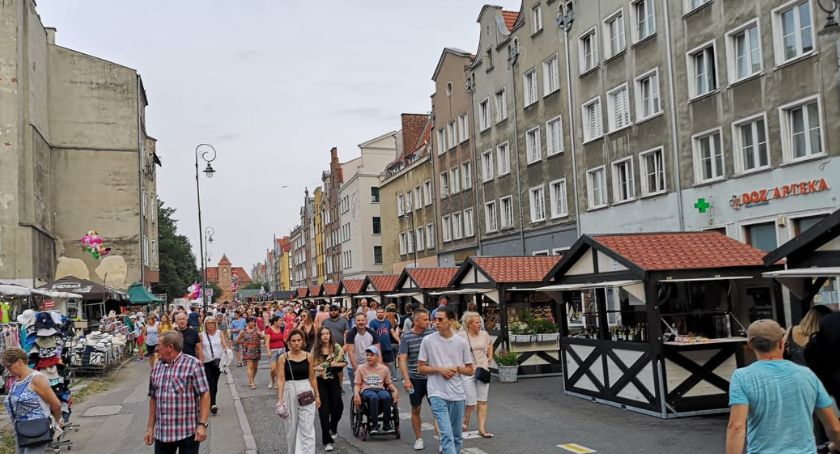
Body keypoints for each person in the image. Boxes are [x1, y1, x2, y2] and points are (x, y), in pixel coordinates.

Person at [726, 319, 840, 454]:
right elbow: (834, 428)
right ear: (781, 343)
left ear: (750, 345)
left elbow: (736, 427)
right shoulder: (807, 375)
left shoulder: (742, 377)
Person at [418, 308, 474, 454]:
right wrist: (440, 370)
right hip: (436, 392)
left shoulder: (461, 342)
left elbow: (470, 370)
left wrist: (457, 368)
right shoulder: (428, 341)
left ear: (450, 321)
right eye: (434, 319)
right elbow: (421, 368)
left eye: (440, 319)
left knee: (456, 436)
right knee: (446, 434)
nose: (436, 322)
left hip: (457, 393)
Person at [145, 331, 210, 453]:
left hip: (187, 432)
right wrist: (150, 428)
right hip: (163, 434)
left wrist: (202, 424)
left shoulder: (193, 364)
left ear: (170, 347)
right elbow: (153, 398)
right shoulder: (157, 366)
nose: (156, 349)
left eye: (159, 345)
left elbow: (204, 394)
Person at [3, 347, 63, 453]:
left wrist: (56, 422)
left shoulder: (37, 379)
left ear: (19, 362)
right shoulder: (17, 381)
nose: (8, 370)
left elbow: (55, 404)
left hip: (38, 429)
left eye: (9, 366)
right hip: (22, 430)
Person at [276, 329, 320, 454]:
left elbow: (312, 377)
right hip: (290, 390)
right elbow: (281, 379)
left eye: (299, 340)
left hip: (306, 390)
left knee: (308, 426)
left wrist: (317, 395)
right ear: (289, 342)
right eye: (293, 340)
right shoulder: (283, 358)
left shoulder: (308, 356)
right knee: (292, 427)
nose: (296, 343)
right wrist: (280, 399)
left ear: (303, 341)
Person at [399, 307, 435, 450]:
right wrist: (406, 379)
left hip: (432, 377)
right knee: (416, 408)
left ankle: (443, 439)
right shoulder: (406, 337)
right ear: (416, 321)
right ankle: (419, 438)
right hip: (415, 378)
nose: (428, 322)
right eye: (425, 319)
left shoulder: (432, 334)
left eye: (428, 319)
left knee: (437, 409)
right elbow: (403, 359)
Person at [459, 311, 494, 438]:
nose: (480, 324)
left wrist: (490, 356)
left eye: (480, 322)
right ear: (469, 324)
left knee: (482, 401)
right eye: (477, 322)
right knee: (470, 401)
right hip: (468, 371)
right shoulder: (461, 336)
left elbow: (490, 344)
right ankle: (465, 419)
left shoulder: (484, 334)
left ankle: (482, 429)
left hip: (483, 369)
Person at [313, 327, 346, 452]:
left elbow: (344, 363)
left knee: (338, 408)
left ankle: (333, 427)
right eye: (323, 334)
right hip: (320, 381)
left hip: (334, 380)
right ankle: (326, 440)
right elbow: (311, 367)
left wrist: (335, 364)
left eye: (327, 333)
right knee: (324, 412)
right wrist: (317, 368)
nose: (325, 336)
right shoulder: (315, 350)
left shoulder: (336, 347)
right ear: (319, 336)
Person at [353, 345, 399, 434]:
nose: (369, 357)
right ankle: (374, 425)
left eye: (372, 355)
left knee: (387, 397)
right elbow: (357, 385)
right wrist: (356, 395)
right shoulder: (361, 368)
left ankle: (386, 425)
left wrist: (395, 390)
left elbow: (388, 383)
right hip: (367, 390)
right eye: (367, 355)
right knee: (374, 397)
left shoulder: (384, 369)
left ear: (377, 357)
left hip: (380, 389)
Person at [201, 317, 230, 416]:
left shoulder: (219, 333)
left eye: (212, 323)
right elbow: (199, 349)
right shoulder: (201, 335)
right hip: (206, 362)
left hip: (218, 362)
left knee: (214, 383)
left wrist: (226, 350)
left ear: (215, 324)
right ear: (205, 325)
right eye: (208, 323)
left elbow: (224, 344)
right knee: (211, 383)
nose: (210, 325)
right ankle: (213, 404)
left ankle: (211, 402)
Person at [346, 313, 379, 383]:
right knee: (356, 387)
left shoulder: (372, 333)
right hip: (353, 365)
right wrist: (356, 369)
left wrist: (378, 366)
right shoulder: (350, 334)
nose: (361, 322)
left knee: (369, 387)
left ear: (366, 321)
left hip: (368, 364)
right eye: (358, 320)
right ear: (355, 322)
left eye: (362, 320)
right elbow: (350, 353)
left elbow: (377, 351)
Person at [369, 307, 397, 381]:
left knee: (389, 363)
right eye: (379, 312)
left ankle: (389, 377)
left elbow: (393, 332)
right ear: (376, 313)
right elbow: (372, 334)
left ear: (384, 313)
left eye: (381, 312)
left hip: (387, 346)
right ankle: (380, 378)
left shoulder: (387, 322)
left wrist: (399, 341)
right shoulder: (372, 322)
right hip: (377, 347)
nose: (380, 313)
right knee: (378, 364)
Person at [236, 317, 263, 390]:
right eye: (251, 322)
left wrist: (260, 334)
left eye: (253, 322)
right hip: (247, 351)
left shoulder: (257, 330)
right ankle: (252, 383)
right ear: (247, 323)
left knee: (255, 367)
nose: (253, 323)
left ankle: (251, 379)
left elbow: (262, 337)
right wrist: (244, 343)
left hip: (256, 350)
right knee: (249, 366)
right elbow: (237, 340)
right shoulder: (243, 331)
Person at [265, 315, 287, 389]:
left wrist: (288, 345)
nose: (281, 322)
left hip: (281, 350)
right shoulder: (269, 330)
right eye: (280, 321)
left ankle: (278, 381)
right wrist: (268, 351)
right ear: (275, 322)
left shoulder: (281, 328)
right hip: (273, 351)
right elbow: (267, 341)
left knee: (280, 368)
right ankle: (272, 380)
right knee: (273, 369)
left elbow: (283, 339)